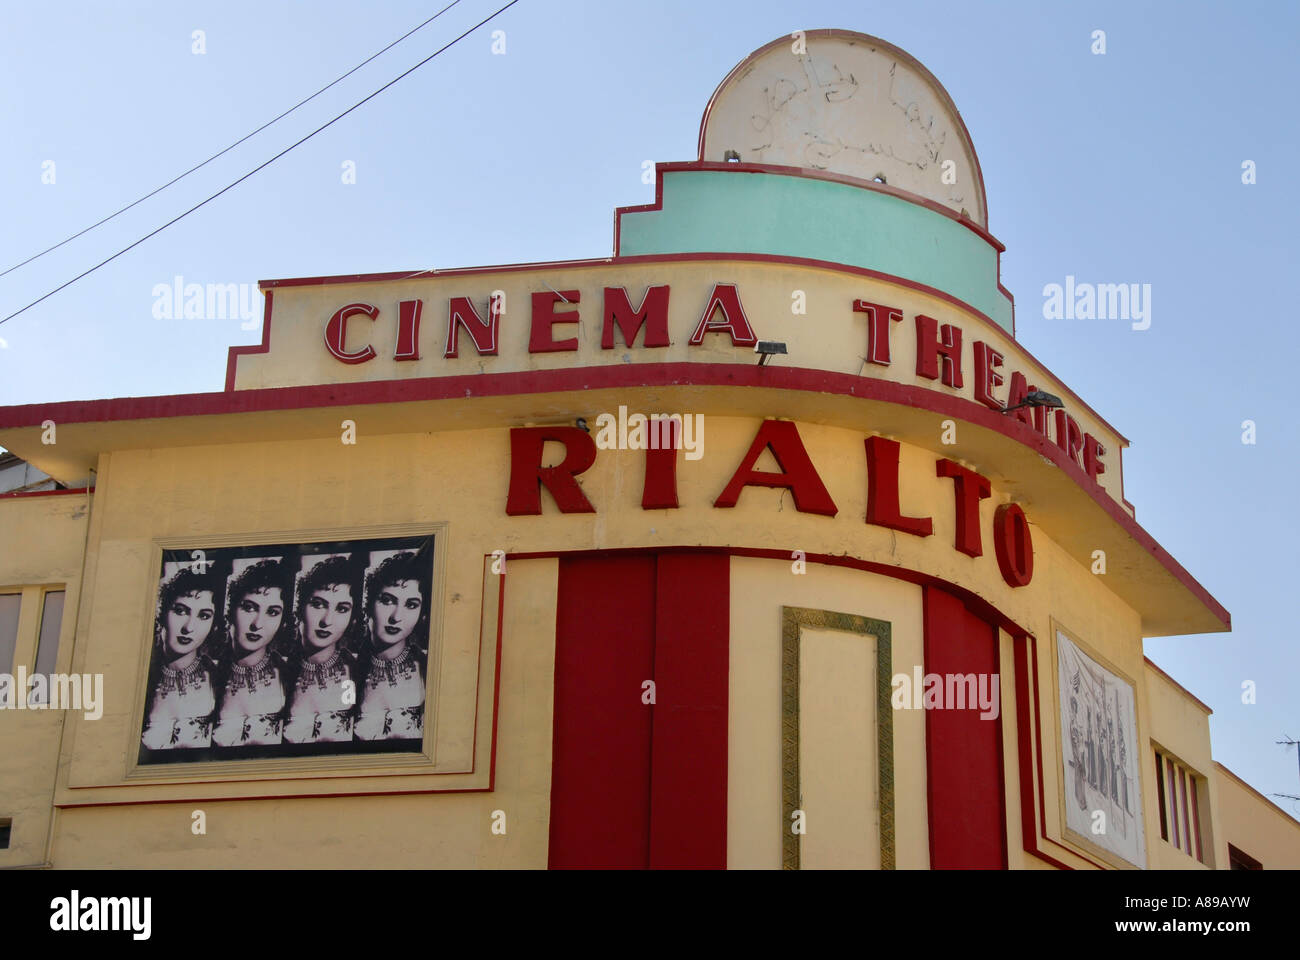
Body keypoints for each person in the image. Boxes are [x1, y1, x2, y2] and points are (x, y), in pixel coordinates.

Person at [211, 559, 293, 748]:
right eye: (249, 607)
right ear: (230, 610)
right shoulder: (209, 673)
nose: (257, 624)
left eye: (272, 612)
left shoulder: (288, 677)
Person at [283, 555, 363, 744]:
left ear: (352, 618)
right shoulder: (279, 670)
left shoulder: (355, 674)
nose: (326, 621)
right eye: (318, 604)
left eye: (342, 609)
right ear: (299, 607)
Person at [141, 566, 223, 752]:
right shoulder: (139, 676)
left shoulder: (219, 680)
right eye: (180, 611)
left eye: (204, 616)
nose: (189, 627)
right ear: (163, 614)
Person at [355, 552, 429, 741]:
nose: (396, 617)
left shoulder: (430, 669)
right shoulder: (348, 668)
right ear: (368, 604)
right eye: (387, 600)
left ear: (422, 614)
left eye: (411, 605)